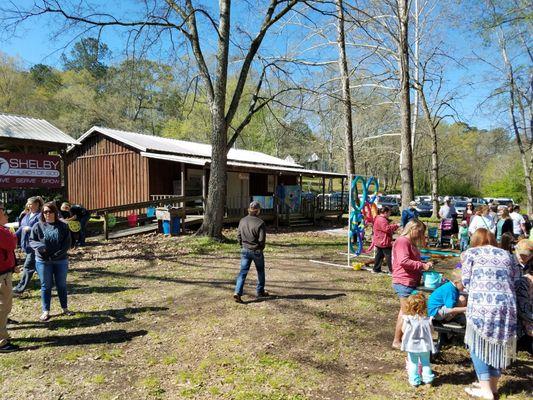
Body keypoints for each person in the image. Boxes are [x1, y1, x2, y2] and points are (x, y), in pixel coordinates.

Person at [461, 228, 521, 400]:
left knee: (478, 344)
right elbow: (516, 279)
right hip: (507, 306)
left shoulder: (470, 253)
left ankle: (486, 391)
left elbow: (466, 282)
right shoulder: (507, 255)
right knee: (499, 345)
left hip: (482, 305)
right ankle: (493, 387)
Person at [391, 220, 432, 348]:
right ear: (412, 229)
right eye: (419, 232)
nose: (420, 236)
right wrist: (422, 265)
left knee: (404, 312)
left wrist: (423, 261)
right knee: (407, 313)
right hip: (404, 281)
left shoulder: (409, 242)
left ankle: (400, 339)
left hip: (409, 281)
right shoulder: (403, 241)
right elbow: (404, 261)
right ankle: (398, 341)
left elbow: (410, 259)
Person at [30, 202, 72, 321]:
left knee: (61, 285)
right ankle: (46, 311)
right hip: (43, 261)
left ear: (55, 212)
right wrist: (40, 247)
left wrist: (57, 255)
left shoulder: (63, 226)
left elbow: (67, 243)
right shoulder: (38, 226)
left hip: (60, 260)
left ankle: (65, 308)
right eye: (45, 212)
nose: (47, 214)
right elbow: (32, 240)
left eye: (50, 211)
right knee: (46, 286)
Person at [233, 201, 268, 303]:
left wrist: (242, 245)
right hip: (256, 251)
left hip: (245, 250)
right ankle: (260, 291)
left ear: (249, 209)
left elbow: (238, 236)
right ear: (258, 211)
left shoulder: (242, 220)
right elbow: (262, 240)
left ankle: (237, 292)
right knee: (260, 271)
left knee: (243, 272)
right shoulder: (260, 223)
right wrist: (260, 248)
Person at [400, 292, 435, 387]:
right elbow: (432, 331)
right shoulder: (427, 320)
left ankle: (414, 382)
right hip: (425, 346)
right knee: (426, 363)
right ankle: (428, 381)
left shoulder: (408, 319)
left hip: (412, 346)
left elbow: (403, 330)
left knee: (413, 364)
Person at [13, 196, 43, 295]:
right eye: (28, 204)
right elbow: (21, 228)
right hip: (25, 245)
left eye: (31, 204)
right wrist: (12, 236)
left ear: (37, 204)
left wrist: (30, 229)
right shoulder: (26, 215)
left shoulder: (40, 216)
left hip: (34, 245)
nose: (29, 206)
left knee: (28, 267)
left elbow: (42, 228)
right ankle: (48, 283)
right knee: (38, 266)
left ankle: (20, 288)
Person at [0, 202, 20, 352]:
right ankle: (1, 342)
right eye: (4, 212)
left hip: (4, 272)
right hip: (2, 276)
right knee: (3, 307)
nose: (6, 215)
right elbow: (11, 243)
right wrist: (13, 233)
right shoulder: (2, 231)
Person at [515, 240, 532, 355]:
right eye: (520, 254)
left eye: (525, 255)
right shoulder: (524, 282)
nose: (522, 257)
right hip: (524, 327)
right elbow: (523, 311)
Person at [372, 206, 399, 274]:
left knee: (379, 255)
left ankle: (376, 269)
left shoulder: (378, 218)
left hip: (379, 240)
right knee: (389, 256)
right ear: (385, 213)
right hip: (384, 241)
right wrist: (396, 226)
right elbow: (387, 229)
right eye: (389, 213)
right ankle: (392, 271)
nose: (390, 214)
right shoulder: (382, 219)